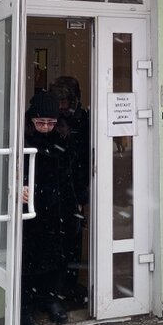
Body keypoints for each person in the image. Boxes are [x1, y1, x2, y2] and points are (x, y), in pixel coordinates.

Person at [20, 90, 77, 325]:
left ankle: (50, 298)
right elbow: (10, 169)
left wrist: (74, 207)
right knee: (27, 258)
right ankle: (24, 307)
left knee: (56, 257)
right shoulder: (21, 140)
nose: (45, 127)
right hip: (30, 210)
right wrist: (18, 187)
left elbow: (68, 178)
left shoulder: (62, 141)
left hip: (56, 209)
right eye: (40, 122)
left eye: (50, 122)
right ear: (31, 120)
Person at [51, 76, 90, 308]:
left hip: (74, 187)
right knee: (54, 239)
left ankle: (69, 285)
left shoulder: (82, 119)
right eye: (59, 101)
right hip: (52, 187)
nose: (62, 105)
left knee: (73, 239)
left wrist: (82, 195)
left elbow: (85, 156)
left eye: (66, 101)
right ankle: (54, 289)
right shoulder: (50, 118)